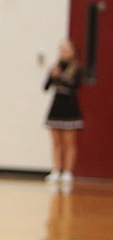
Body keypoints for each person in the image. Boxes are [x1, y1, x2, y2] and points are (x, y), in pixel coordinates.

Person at [44, 39, 83, 188]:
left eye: (67, 50)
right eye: (61, 50)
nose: (63, 53)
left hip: (70, 106)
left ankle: (67, 171)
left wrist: (60, 77)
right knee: (56, 142)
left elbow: (75, 86)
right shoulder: (55, 68)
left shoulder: (76, 69)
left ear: (72, 52)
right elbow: (46, 87)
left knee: (69, 142)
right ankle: (56, 169)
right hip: (56, 106)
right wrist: (52, 75)